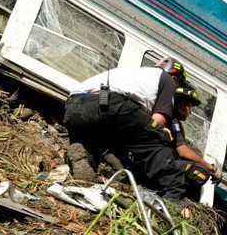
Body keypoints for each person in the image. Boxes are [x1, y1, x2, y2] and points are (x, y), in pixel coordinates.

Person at [63, 57, 189, 202]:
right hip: (109, 102)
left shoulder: (134, 72)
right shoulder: (167, 80)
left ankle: (83, 165)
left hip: (73, 106)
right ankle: (174, 193)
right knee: (155, 137)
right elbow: (158, 120)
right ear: (175, 77)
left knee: (93, 142)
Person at [169, 84, 218, 193]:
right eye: (189, 106)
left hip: (163, 160)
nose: (190, 111)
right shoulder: (172, 121)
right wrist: (209, 167)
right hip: (161, 161)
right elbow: (182, 151)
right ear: (181, 104)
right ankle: (172, 196)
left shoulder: (174, 121)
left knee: (197, 157)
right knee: (201, 172)